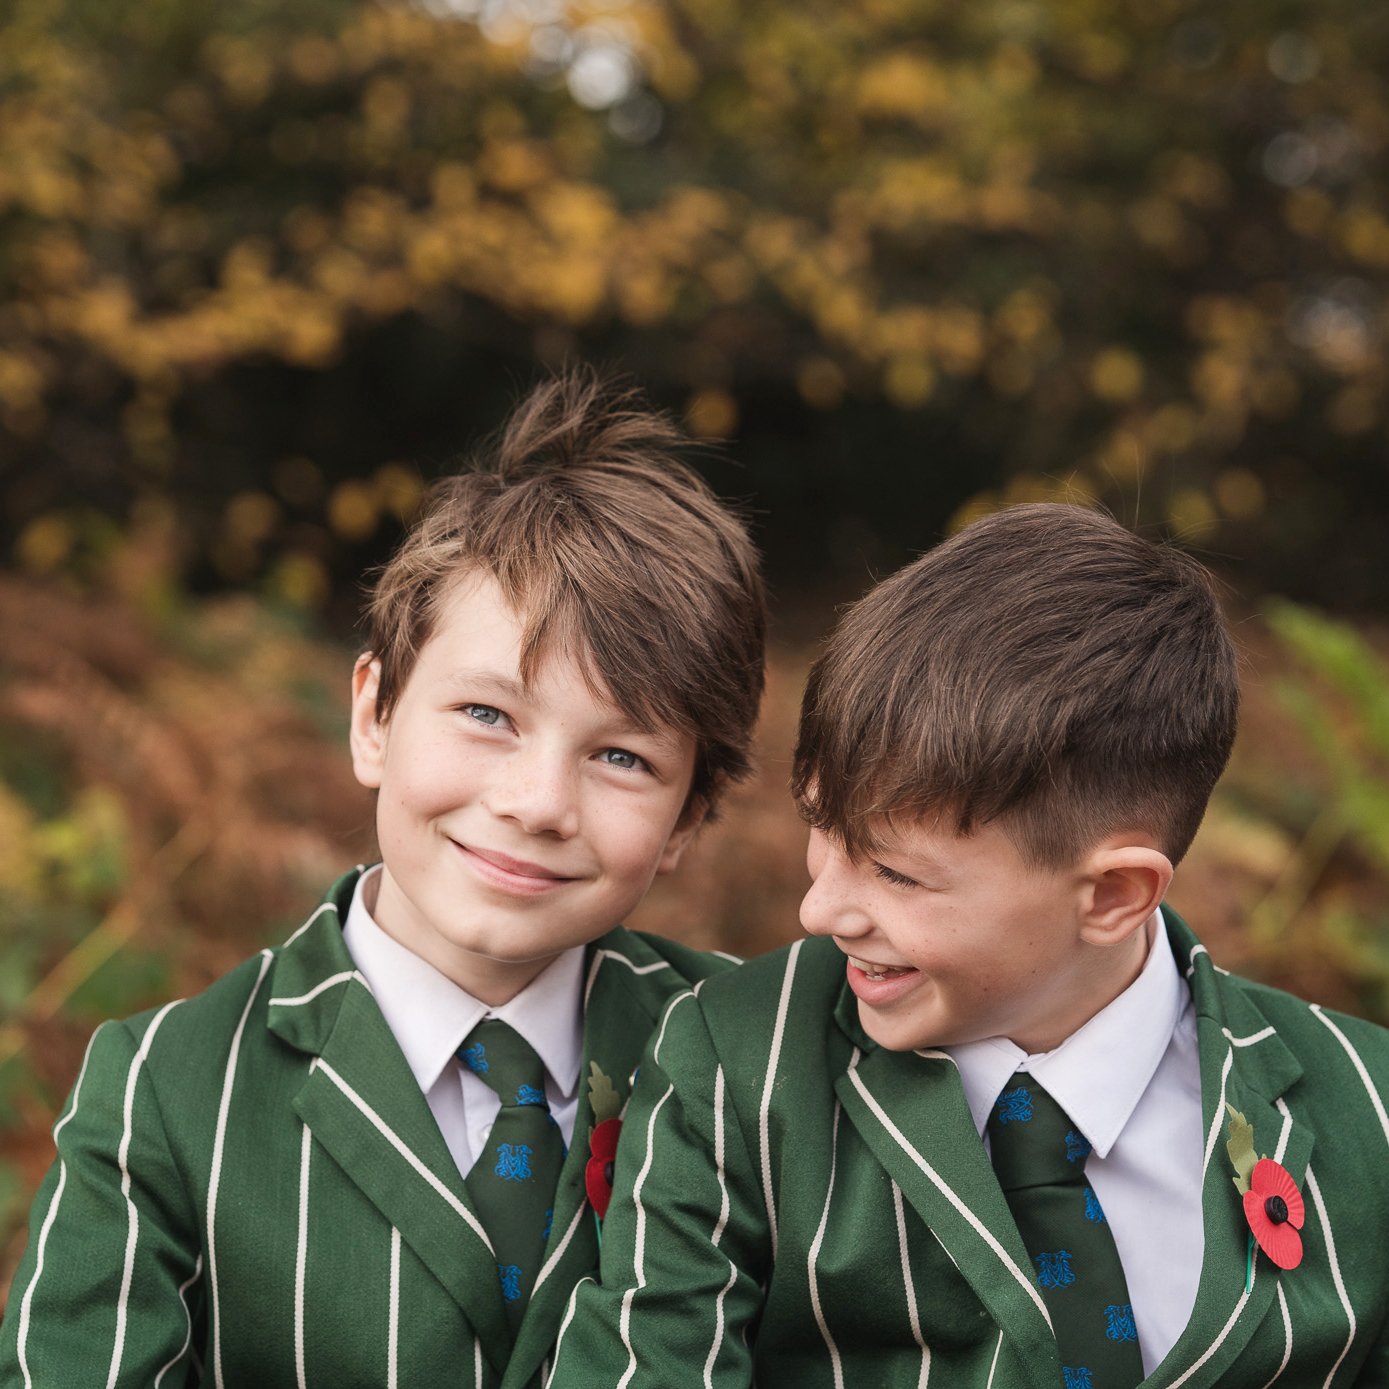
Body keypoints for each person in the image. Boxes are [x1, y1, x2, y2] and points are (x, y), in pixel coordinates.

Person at [0, 370, 767, 1388]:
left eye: (622, 758)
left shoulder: (750, 1057)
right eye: (488, 715)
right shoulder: (167, 1093)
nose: (539, 803)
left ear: (691, 819)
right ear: (373, 715)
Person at [549, 503, 1389, 1388]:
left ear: (1112, 894)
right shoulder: (734, 1070)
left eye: (897, 876)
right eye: (820, 827)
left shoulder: (1366, 1109)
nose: (820, 907)